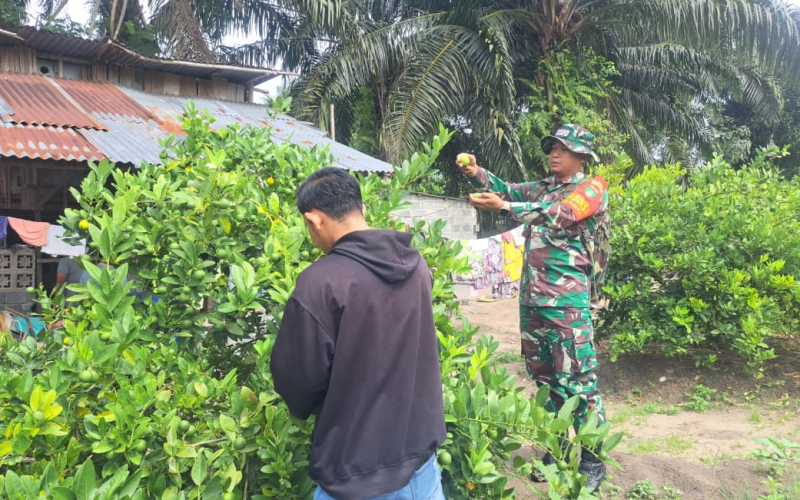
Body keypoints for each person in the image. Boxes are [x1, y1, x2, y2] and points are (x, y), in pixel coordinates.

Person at [270, 167, 446, 500]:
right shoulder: (416, 265)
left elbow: (297, 380)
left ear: (314, 220)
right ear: (362, 209)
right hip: (421, 472)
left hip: (353, 478)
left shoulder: (321, 283)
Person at [457, 124, 609, 491]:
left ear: (582, 156)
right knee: (545, 380)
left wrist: (507, 207)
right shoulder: (542, 188)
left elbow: (562, 213)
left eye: (564, 148)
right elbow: (507, 190)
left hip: (567, 304)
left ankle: (593, 458)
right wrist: (476, 172)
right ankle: (556, 451)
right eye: (552, 147)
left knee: (578, 380)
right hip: (533, 302)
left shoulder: (592, 189)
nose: (555, 153)